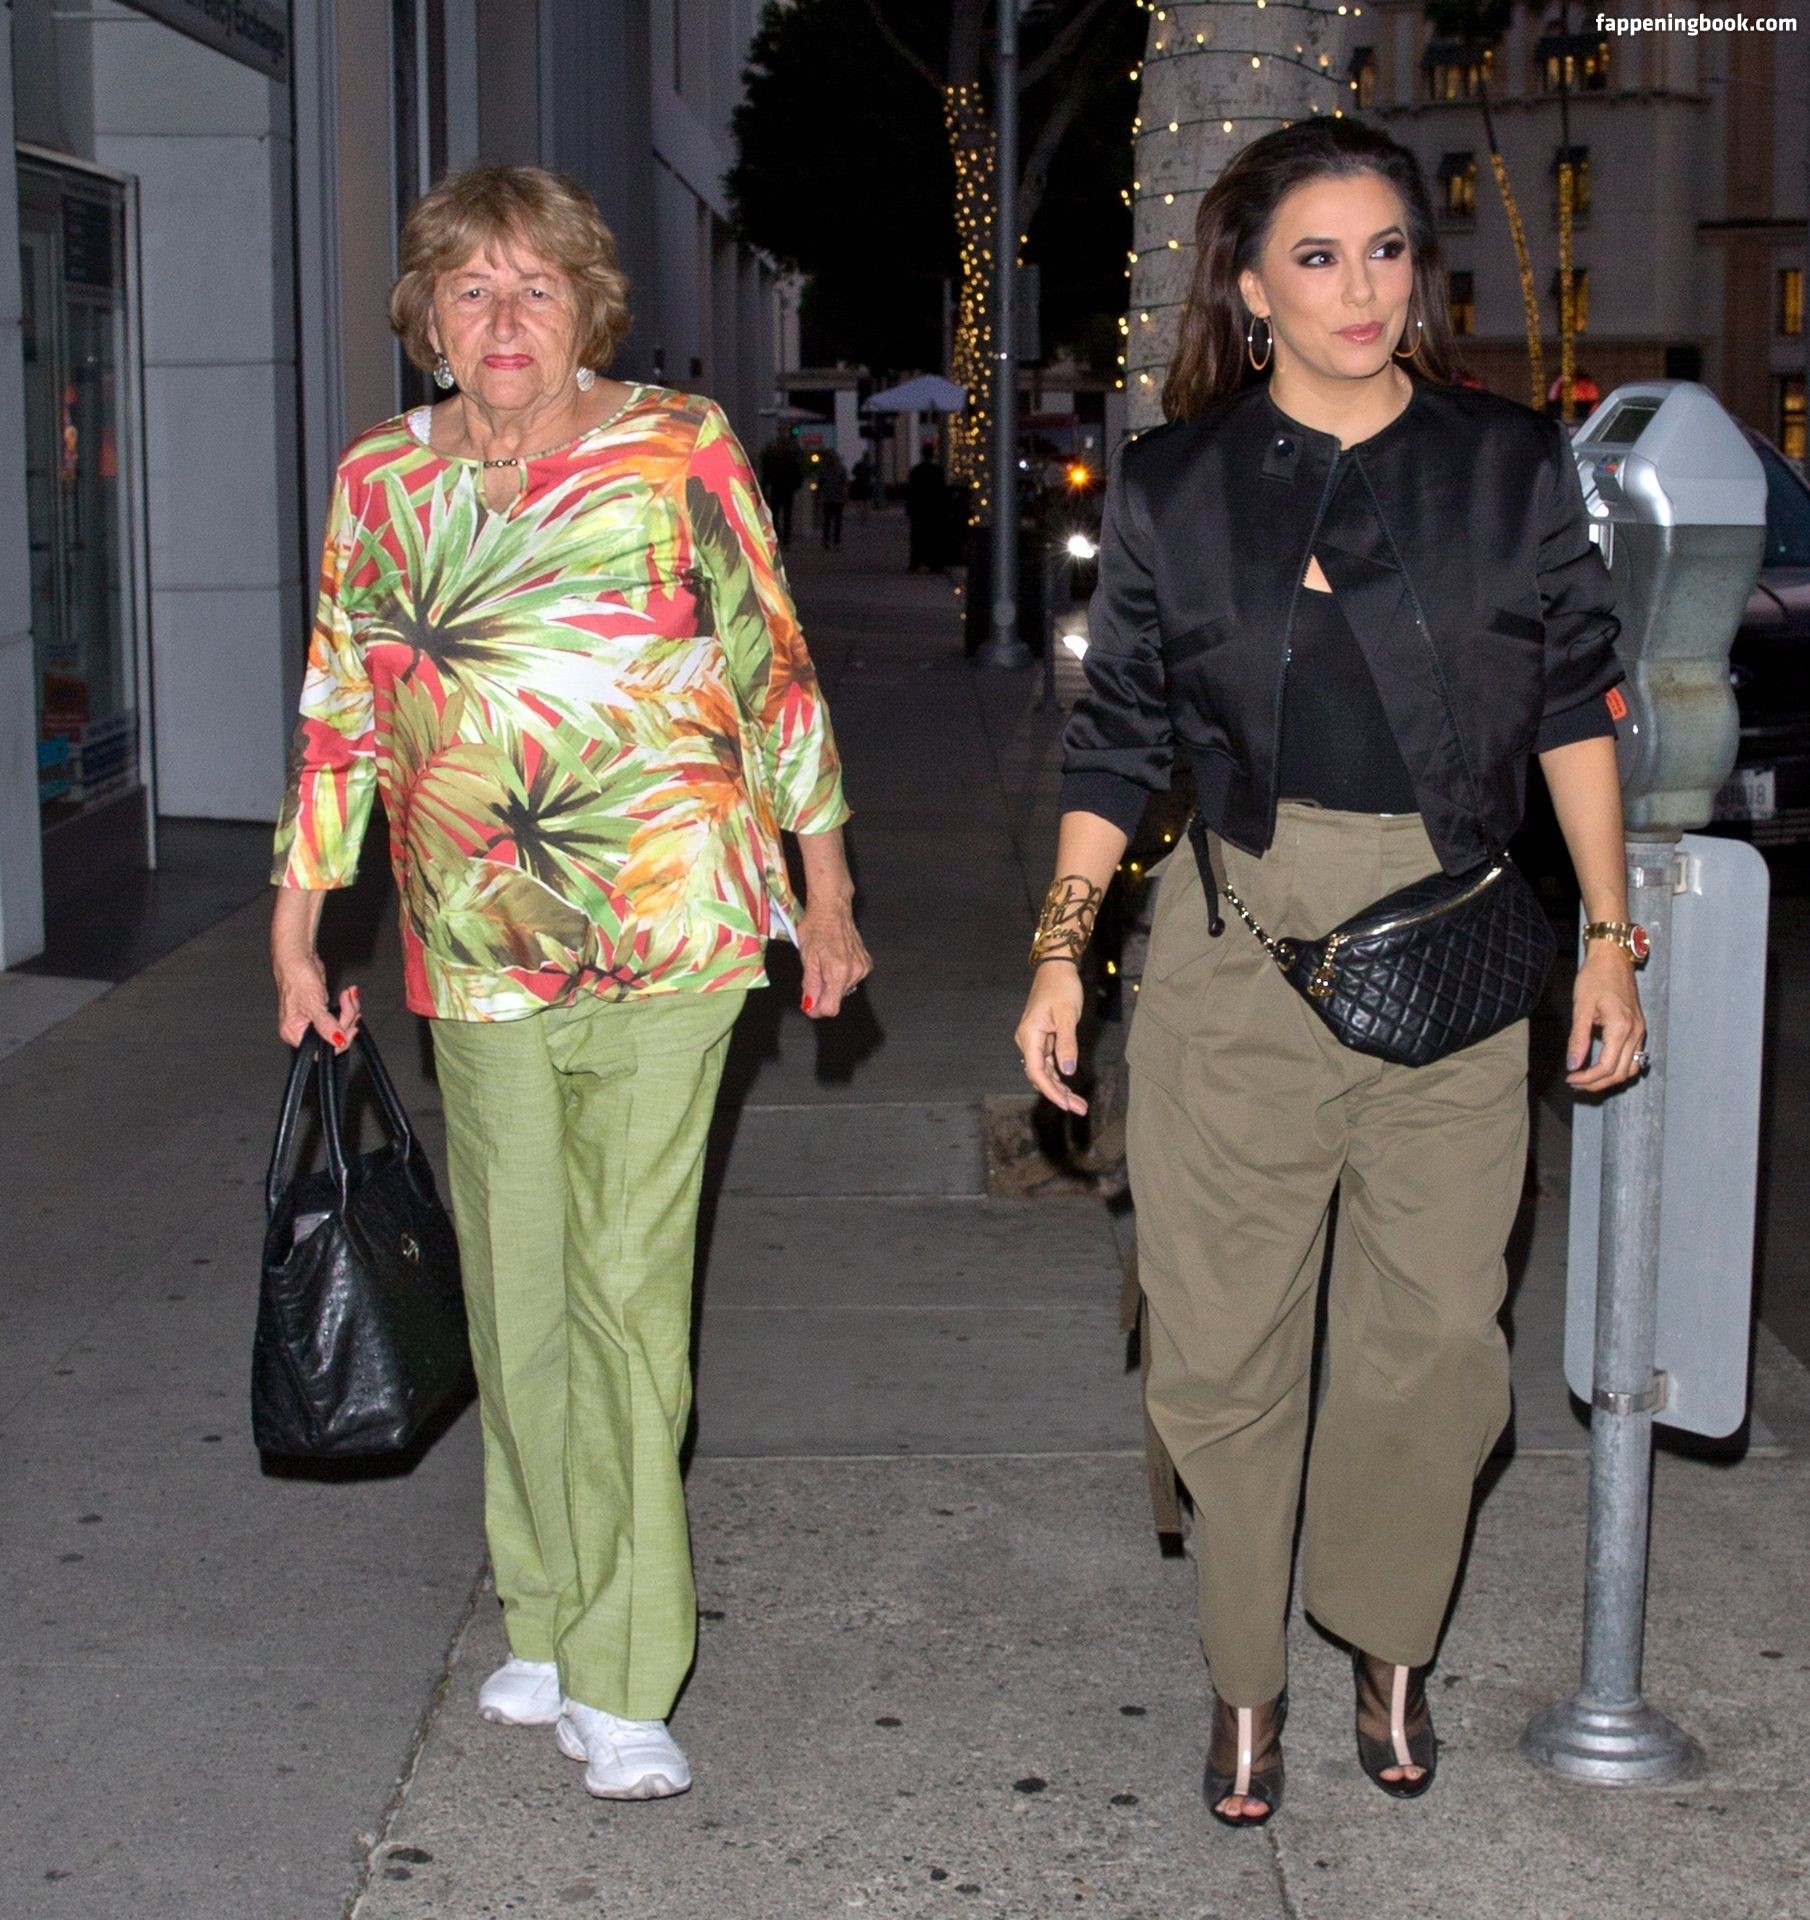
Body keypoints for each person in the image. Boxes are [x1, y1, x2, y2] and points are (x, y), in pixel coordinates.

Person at [1014, 119, 1644, 1825]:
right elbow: (1118, 739)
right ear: (1249, 286)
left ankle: (1385, 1639)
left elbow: (1576, 700)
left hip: (1451, 947)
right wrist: (1062, 955)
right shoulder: (1177, 485)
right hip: (1232, 951)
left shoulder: (1506, 463)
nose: (1357, 289)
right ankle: (1244, 1675)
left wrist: (1607, 935)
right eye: (1315, 256)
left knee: (1432, 1343)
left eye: (1384, 252)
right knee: (1219, 1346)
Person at [270, 164, 870, 1804]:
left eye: (537, 285)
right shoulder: (381, 478)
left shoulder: (677, 447)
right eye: (471, 288)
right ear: (426, 313)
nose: (505, 318)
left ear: (587, 308)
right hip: (472, 944)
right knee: (514, 1293)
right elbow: (340, 708)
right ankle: (540, 1604)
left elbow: (773, 673)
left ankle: (625, 1663)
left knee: (626, 1295)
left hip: (676, 932)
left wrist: (824, 888)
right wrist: (300, 914)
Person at [758, 432, 806, 546]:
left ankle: (784, 539)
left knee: (784, 515)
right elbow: (767, 474)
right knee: (779, 515)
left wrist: (794, 486)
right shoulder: (778, 459)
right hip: (780, 489)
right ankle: (781, 538)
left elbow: (797, 474)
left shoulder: (782, 459)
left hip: (783, 489)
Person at [906, 445, 946, 572]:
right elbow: (941, 491)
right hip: (934, 509)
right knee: (934, 536)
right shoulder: (938, 471)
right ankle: (934, 563)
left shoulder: (916, 471)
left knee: (918, 536)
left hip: (919, 509)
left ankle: (916, 562)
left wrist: (910, 508)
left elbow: (911, 491)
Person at [817, 447, 849, 549]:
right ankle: (830, 540)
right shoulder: (830, 469)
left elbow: (844, 484)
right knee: (830, 521)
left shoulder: (837, 469)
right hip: (830, 498)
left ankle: (833, 541)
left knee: (833, 521)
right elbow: (821, 484)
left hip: (835, 498)